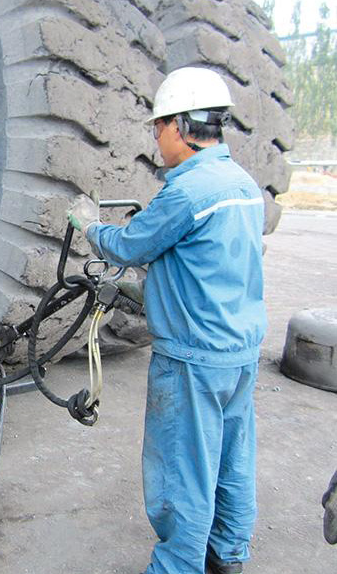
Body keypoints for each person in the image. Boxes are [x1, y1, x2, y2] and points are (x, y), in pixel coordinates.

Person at [74, 67, 267, 574]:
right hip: (239, 353)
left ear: (180, 126)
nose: (157, 138)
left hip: (193, 359)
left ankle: (177, 567)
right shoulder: (243, 185)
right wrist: (151, 292)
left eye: (157, 127)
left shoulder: (187, 192)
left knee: (183, 474)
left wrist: (86, 225)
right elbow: (210, 266)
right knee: (231, 460)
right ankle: (228, 556)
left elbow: (131, 244)